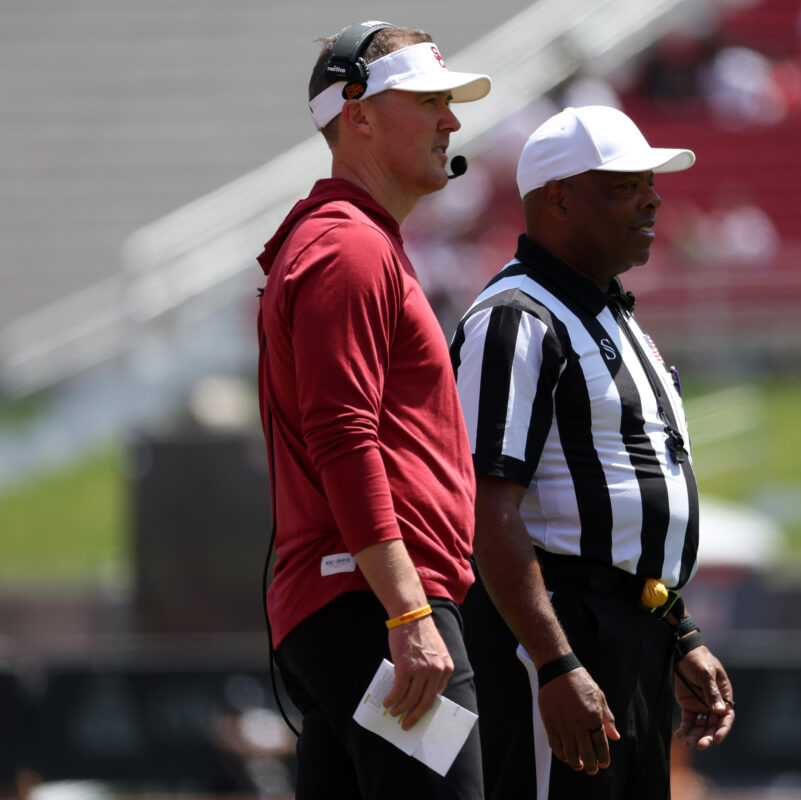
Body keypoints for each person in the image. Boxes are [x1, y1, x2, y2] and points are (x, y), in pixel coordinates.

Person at [450, 105, 736, 800]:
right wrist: (554, 662)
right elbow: (488, 512)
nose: (651, 198)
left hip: (626, 629)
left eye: (650, 183)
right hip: (560, 627)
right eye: (622, 186)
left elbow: (625, 502)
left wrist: (676, 626)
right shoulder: (517, 319)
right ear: (559, 199)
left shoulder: (609, 314)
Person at [255, 22, 490, 799]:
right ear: (356, 114)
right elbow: (343, 435)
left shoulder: (354, 243)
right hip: (374, 612)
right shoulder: (349, 249)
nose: (450, 121)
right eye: (429, 102)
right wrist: (407, 612)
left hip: (358, 612)